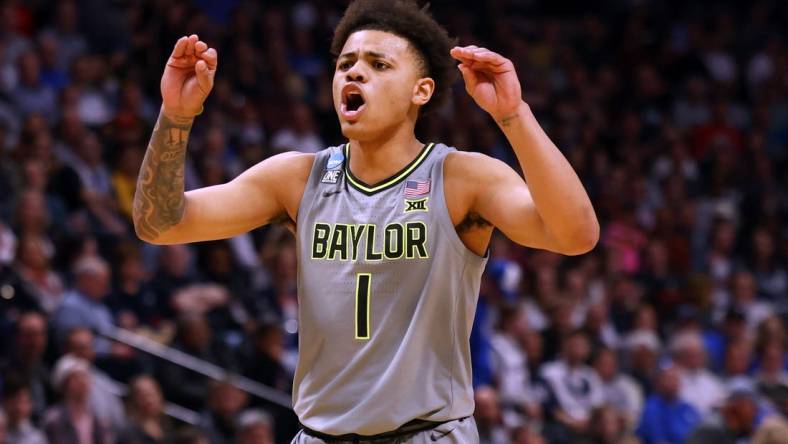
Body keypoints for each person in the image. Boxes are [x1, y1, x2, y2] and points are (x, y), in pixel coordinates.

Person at [132, 0, 598, 441]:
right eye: (345, 63)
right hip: (319, 435)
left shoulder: (460, 178)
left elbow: (574, 235)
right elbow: (160, 224)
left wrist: (514, 115)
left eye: (379, 64)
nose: (354, 71)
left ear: (422, 90)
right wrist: (176, 115)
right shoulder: (296, 178)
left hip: (428, 435)